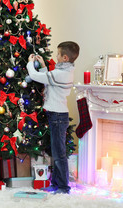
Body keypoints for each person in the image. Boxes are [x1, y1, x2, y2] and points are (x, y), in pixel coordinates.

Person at [27, 41, 80, 194]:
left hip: (57, 116)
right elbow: (49, 80)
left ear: (64, 57)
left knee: (59, 154)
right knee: (57, 152)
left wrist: (31, 64)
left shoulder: (62, 73)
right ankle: (57, 184)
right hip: (56, 115)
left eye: (57, 54)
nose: (55, 56)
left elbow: (36, 76)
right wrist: (43, 65)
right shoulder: (63, 71)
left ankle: (63, 187)